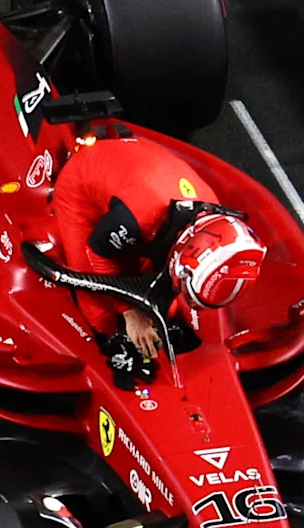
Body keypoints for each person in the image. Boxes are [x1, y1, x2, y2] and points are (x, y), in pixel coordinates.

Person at [40, 121, 265, 383]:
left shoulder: (214, 222)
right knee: (98, 309)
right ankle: (108, 339)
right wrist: (129, 313)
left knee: (163, 307)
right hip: (83, 186)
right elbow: (97, 251)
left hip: (138, 177)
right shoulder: (139, 217)